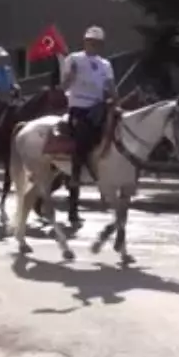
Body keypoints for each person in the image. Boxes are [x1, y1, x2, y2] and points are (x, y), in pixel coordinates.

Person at [62, 26, 117, 223]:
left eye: (96, 42)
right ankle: (75, 179)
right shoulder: (74, 59)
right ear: (84, 41)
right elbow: (64, 86)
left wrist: (114, 99)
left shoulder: (105, 64)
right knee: (82, 140)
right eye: (89, 40)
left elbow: (111, 87)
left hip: (99, 107)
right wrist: (71, 76)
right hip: (80, 107)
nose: (92, 44)